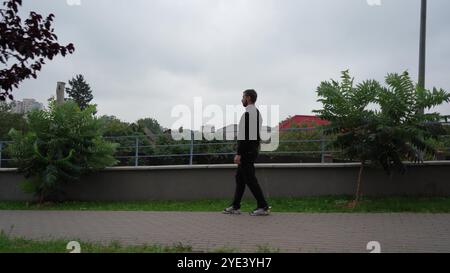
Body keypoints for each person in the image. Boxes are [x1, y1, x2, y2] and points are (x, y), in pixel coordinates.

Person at [223, 89, 271, 216]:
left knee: (250, 179)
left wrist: (239, 153)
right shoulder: (257, 113)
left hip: (247, 152)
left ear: (248, 98)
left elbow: (244, 136)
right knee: (240, 178)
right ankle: (235, 205)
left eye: (243, 97)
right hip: (252, 149)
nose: (242, 99)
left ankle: (263, 206)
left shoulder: (248, 114)